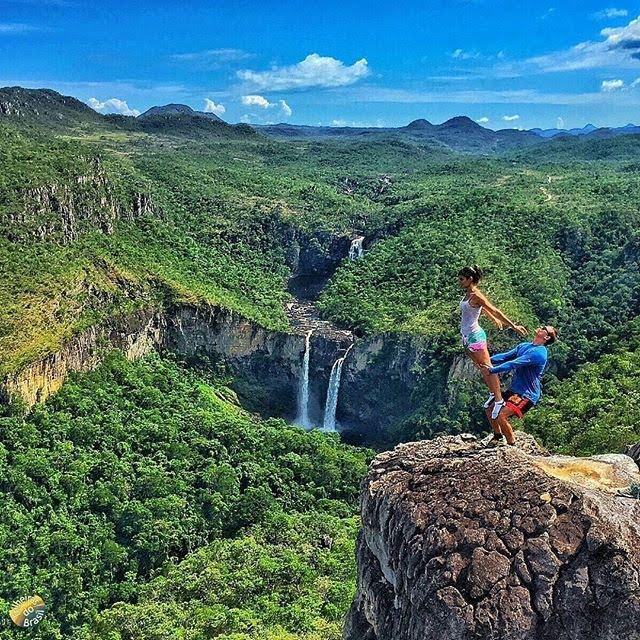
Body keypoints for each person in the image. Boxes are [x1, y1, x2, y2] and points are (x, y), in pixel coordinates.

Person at [458, 265, 528, 419]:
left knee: (487, 367)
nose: (459, 281)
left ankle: (498, 399)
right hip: (466, 337)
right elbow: (480, 309)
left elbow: (494, 309)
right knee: (480, 367)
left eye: (462, 279)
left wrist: (513, 326)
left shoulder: (476, 295)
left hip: (475, 336)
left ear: (470, 279)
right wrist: (492, 318)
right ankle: (492, 393)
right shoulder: (468, 295)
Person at [483, 324, 558, 446]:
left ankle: (511, 444)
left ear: (547, 338)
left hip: (526, 394)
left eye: (545, 329)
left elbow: (513, 363)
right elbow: (505, 356)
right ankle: (497, 436)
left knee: (501, 415)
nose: (541, 327)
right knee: (489, 407)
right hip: (515, 390)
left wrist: (492, 370)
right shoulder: (524, 346)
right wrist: (486, 360)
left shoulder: (539, 353)